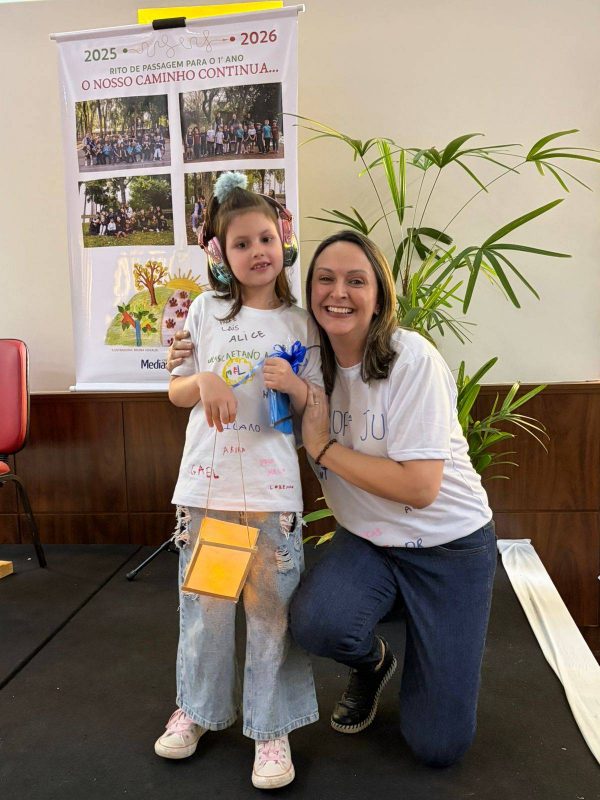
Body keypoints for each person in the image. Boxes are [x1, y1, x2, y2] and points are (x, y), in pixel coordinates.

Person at [166, 229, 496, 770]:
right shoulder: (303, 361)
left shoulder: (411, 359)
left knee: (438, 745)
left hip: (448, 547)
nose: (338, 292)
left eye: (356, 281)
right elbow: (222, 384)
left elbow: (421, 488)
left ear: (379, 294)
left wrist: (324, 448)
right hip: (368, 543)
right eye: (326, 279)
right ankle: (372, 661)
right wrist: (195, 359)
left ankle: (429, 639)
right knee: (315, 620)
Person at [155, 171, 320, 790]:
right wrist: (203, 381)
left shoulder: (301, 323)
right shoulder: (205, 311)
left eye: (265, 239)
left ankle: (271, 726)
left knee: (272, 615)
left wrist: (294, 385)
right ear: (221, 254)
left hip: (273, 494)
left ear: (283, 240)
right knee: (208, 610)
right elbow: (177, 391)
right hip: (210, 490)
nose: (257, 252)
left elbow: (316, 405)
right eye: (241, 243)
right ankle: (198, 709)